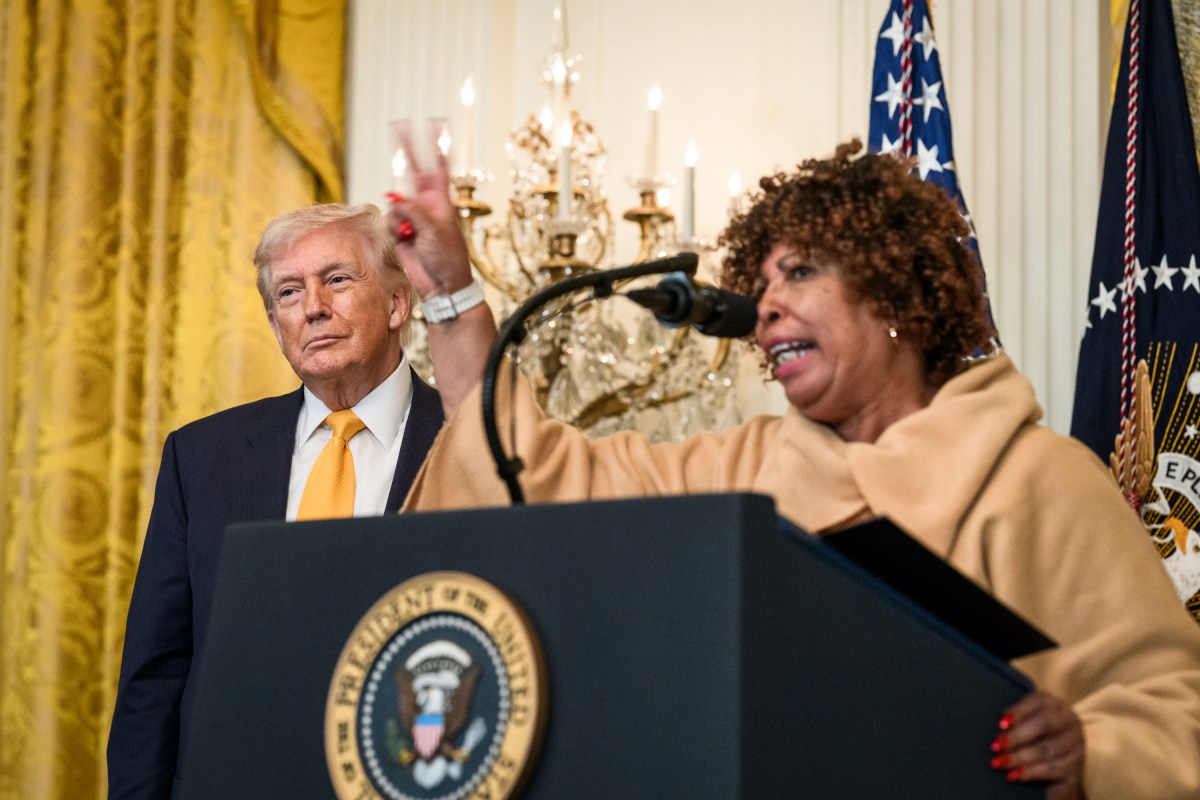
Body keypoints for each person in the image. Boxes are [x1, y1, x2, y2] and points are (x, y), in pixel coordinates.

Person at [387, 136, 1200, 800]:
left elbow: (1178, 706)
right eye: (762, 280)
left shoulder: (1039, 478)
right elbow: (539, 479)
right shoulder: (744, 467)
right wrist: (454, 296)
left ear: (894, 296)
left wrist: (1091, 747)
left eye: (802, 272)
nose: (766, 303)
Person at [107, 203, 445, 798]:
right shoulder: (202, 457)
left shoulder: (466, 438)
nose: (313, 306)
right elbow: (153, 679)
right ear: (275, 324)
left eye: (337, 279)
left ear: (397, 303)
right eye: (289, 292)